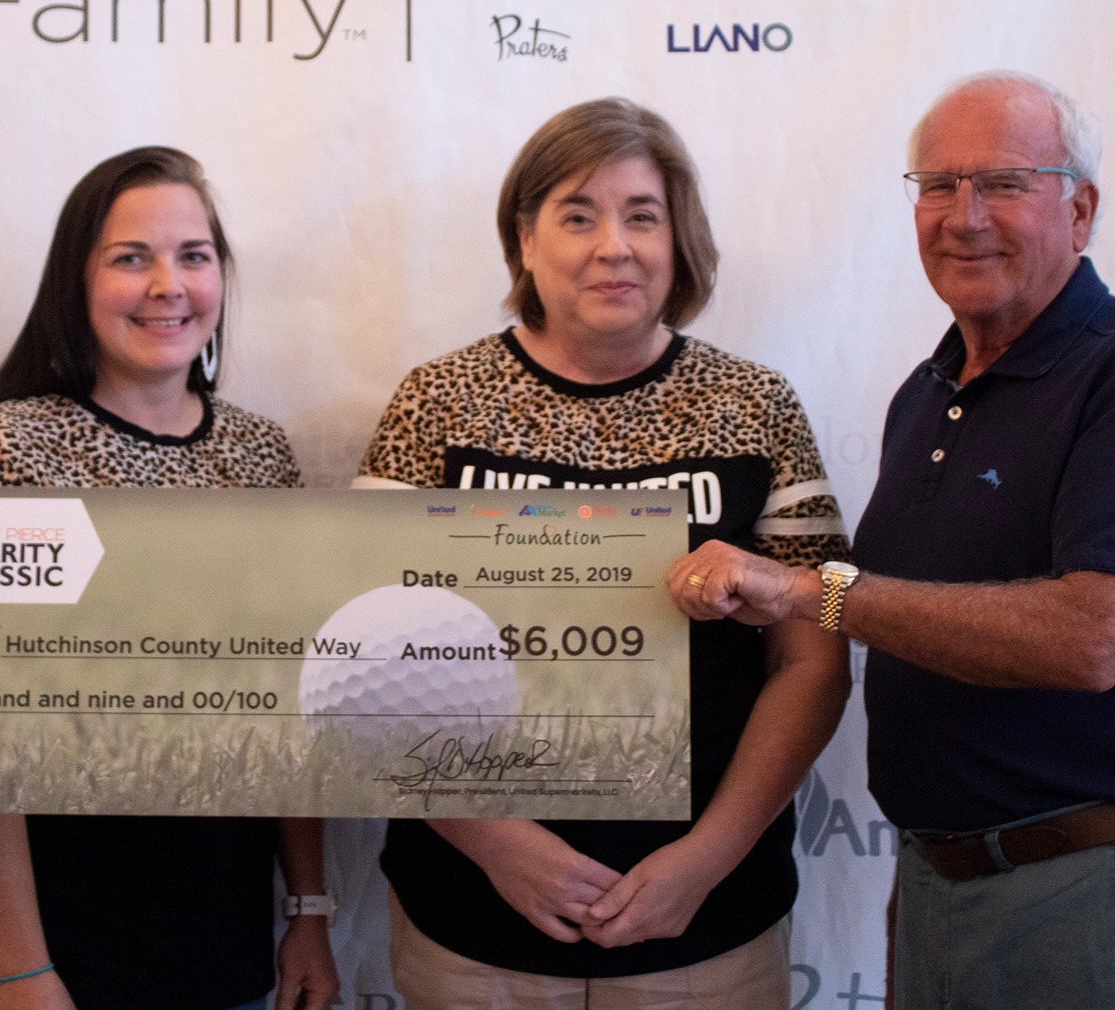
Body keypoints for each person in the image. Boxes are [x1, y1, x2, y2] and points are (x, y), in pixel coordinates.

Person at [667, 72, 1115, 1009]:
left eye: (1003, 183)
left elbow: (1090, 638)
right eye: (938, 185)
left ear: (1081, 210)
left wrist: (809, 590)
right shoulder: (926, 393)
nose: (964, 215)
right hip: (947, 882)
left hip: (1105, 888)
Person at [354, 99, 852, 1007]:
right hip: (471, 921)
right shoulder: (437, 401)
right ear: (525, 237)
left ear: (679, 238)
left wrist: (705, 859)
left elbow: (814, 653)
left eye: (643, 215)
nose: (613, 246)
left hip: (707, 925)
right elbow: (360, 659)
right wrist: (497, 841)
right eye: (578, 215)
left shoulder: (757, 405)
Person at [0, 146, 339, 1010]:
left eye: (194, 255)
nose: (167, 285)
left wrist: (308, 908)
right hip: (38, 949)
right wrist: (22, 968)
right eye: (130, 257)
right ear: (76, 281)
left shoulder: (262, 456)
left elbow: (287, 716)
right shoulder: (7, 450)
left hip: (216, 940)